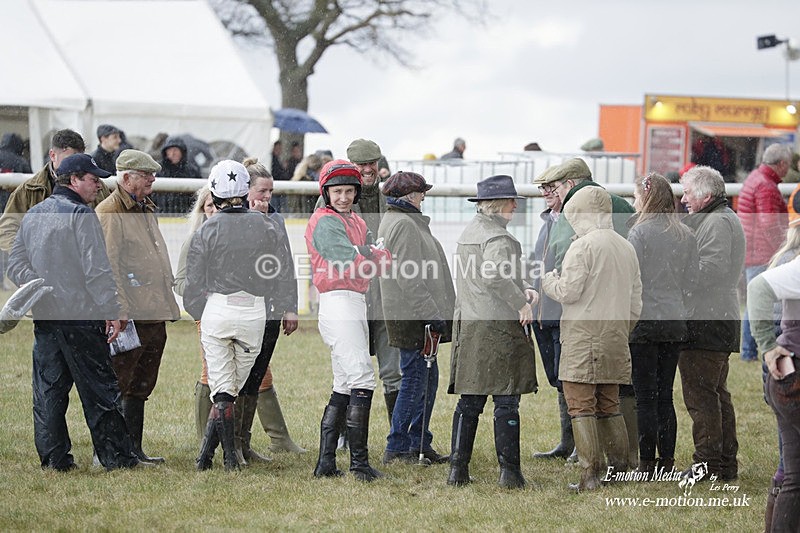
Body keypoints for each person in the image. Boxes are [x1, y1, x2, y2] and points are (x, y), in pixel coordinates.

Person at [6, 153, 144, 471]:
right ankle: (116, 458)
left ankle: (55, 459)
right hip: (82, 316)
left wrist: (40, 283)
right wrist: (111, 309)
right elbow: (97, 270)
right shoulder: (82, 215)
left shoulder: (34, 214)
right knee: (99, 389)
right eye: (94, 180)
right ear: (74, 180)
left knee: (49, 391)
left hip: (46, 314)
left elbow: (14, 263)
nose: (98, 186)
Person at [175, 186, 305, 457]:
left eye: (215, 206)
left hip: (245, 312)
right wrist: (206, 305)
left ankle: (235, 445)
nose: (214, 211)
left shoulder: (247, 231)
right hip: (214, 313)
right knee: (214, 378)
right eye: (208, 207)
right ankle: (214, 445)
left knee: (244, 379)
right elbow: (184, 282)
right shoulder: (201, 236)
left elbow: (274, 270)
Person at [542, 186, 642, 491]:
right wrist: (622, 329)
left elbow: (568, 292)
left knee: (580, 405)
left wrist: (548, 280)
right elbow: (636, 300)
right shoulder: (626, 247)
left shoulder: (582, 246)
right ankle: (619, 469)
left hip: (583, 337)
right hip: (615, 337)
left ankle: (590, 474)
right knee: (609, 403)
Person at [184, 160, 279, 472]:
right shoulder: (265, 226)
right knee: (229, 389)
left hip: (218, 309)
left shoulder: (206, 229)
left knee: (223, 389)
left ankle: (223, 459)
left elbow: (193, 285)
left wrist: (204, 311)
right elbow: (271, 276)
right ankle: (209, 458)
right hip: (253, 311)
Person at [448, 175, 538, 489]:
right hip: (498, 329)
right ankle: (510, 474)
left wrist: (523, 288)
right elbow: (495, 275)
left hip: (471, 326)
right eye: (512, 201)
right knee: (506, 401)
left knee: (469, 403)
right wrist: (520, 303)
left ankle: (457, 470)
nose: (516, 206)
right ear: (499, 204)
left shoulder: (471, 231)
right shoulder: (498, 238)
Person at [306, 159, 391, 482]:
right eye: (337, 191)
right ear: (326, 193)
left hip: (354, 301)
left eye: (348, 191)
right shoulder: (324, 221)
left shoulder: (355, 219)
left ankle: (326, 462)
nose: (343, 197)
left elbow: (374, 260)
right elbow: (347, 261)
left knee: (343, 384)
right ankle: (359, 464)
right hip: (338, 302)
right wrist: (367, 254)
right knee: (362, 379)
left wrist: (365, 254)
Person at [95, 150, 181, 464]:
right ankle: (108, 450)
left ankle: (132, 449)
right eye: (147, 175)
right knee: (121, 381)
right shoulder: (110, 211)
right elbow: (109, 265)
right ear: (127, 177)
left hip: (153, 311)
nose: (153, 179)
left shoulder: (145, 208)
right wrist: (118, 309)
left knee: (141, 384)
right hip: (130, 315)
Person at [314, 139, 403, 433]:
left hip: (383, 297)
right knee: (349, 370)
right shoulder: (331, 201)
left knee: (392, 371)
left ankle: (398, 439)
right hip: (348, 294)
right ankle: (342, 438)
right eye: (361, 164)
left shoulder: (385, 198)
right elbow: (337, 254)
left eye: (372, 163)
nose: (367, 169)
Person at [378, 171, 455, 465]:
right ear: (411, 196)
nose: (424, 197)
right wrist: (432, 314)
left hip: (410, 314)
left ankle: (418, 442)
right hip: (413, 317)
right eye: (422, 193)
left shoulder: (397, 221)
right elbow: (409, 278)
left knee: (426, 378)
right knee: (416, 379)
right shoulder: (405, 225)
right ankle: (398, 446)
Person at [627, 173, 699, 475]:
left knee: (645, 397)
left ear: (645, 199)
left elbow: (633, 278)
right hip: (673, 320)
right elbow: (692, 280)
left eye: (636, 197)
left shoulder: (638, 234)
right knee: (665, 395)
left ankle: (646, 462)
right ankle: (667, 460)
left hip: (644, 322)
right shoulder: (685, 235)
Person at [678, 165, 745, 482]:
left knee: (701, 396)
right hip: (718, 317)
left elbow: (711, 270)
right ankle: (724, 464)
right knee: (716, 394)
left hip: (707, 321)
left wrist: (675, 273)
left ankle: (707, 465)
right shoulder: (721, 218)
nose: (683, 200)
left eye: (688, 193)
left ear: (706, 195)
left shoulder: (716, 223)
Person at [748, 191, 800, 532]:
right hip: (790, 367)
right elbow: (756, 290)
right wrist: (767, 347)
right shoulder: (791, 263)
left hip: (786, 368)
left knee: (792, 471)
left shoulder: (787, 258)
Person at [0, 129, 110, 252]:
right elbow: (7, 229)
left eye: (79, 158)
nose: (74, 164)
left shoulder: (98, 188)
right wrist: (29, 257)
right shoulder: (29, 190)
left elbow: (109, 228)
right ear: (52, 155)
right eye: (69, 159)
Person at [529, 165, 574, 462]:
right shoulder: (548, 221)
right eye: (542, 188)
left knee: (568, 378)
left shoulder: (572, 220)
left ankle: (576, 444)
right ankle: (567, 443)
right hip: (543, 311)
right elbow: (537, 262)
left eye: (551, 187)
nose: (546, 192)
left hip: (562, 310)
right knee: (558, 379)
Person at [737, 143, 791, 362]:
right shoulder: (767, 186)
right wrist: (783, 246)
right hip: (762, 252)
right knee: (758, 302)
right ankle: (749, 351)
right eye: (787, 165)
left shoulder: (755, 177)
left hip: (752, 249)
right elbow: (770, 224)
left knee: (754, 300)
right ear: (781, 164)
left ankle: (748, 350)